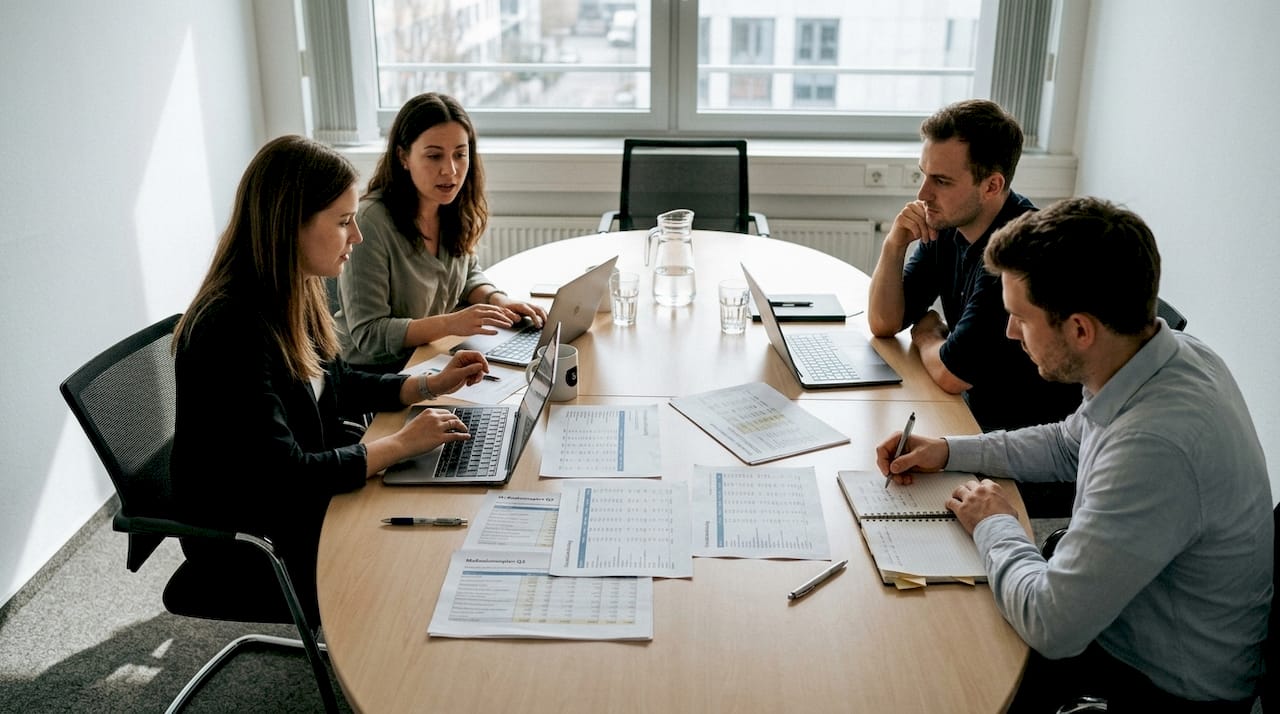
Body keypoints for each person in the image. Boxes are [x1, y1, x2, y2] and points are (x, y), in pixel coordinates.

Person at [878, 197, 1272, 711]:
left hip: (1165, 686)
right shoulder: (1170, 353)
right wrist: (949, 450)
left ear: (1080, 330)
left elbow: (1052, 627)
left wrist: (997, 523)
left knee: (952, 663)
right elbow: (1069, 444)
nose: (1010, 332)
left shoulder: (1155, 445)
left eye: (1020, 317)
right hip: (1126, 613)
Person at [170, 135, 492, 625]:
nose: (357, 237)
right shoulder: (230, 329)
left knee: (449, 510)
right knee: (428, 556)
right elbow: (287, 476)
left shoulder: (292, 289)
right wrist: (400, 445)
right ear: (288, 227)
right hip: (258, 541)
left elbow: (336, 384)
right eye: (344, 222)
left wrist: (428, 385)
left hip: (301, 498)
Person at [867, 99, 1081, 434]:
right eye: (923, 175)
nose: (923, 194)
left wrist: (926, 335)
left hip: (1018, 437)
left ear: (992, 186)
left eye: (941, 181)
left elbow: (952, 375)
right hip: (974, 415)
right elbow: (883, 322)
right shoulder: (947, 221)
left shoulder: (1018, 252)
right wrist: (893, 244)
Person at [334, 92, 546, 371]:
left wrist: (499, 301)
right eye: (434, 156)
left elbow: (466, 274)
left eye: (460, 154)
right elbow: (369, 335)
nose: (451, 170)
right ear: (403, 157)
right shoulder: (370, 223)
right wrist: (450, 323)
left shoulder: (451, 207)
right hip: (378, 377)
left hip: (432, 359)